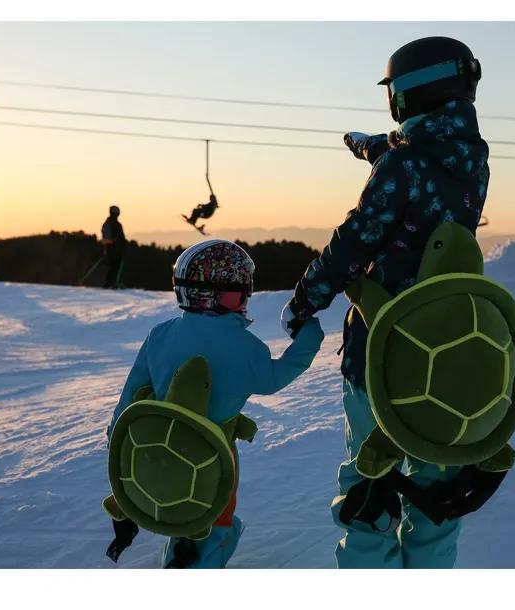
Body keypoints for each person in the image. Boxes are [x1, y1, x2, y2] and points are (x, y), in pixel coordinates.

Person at [280, 36, 490, 569]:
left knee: (368, 488)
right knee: (433, 490)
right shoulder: (473, 159)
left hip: (381, 351)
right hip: (443, 353)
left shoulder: (401, 167)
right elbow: (420, 167)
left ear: (409, 94)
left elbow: (353, 243)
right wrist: (374, 147)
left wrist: (305, 300)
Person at [108, 239, 324, 568]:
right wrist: (309, 335)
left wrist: (117, 443)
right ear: (217, 294)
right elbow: (276, 377)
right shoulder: (246, 347)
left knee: (180, 509)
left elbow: (129, 399)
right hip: (214, 456)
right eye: (240, 293)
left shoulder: (160, 335)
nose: (244, 301)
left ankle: (180, 555)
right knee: (212, 520)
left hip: (156, 453)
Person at [101, 205, 127, 288]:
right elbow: (120, 237)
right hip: (116, 249)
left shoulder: (107, 223)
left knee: (113, 266)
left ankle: (110, 282)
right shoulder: (117, 224)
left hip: (109, 248)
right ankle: (111, 282)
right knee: (115, 266)